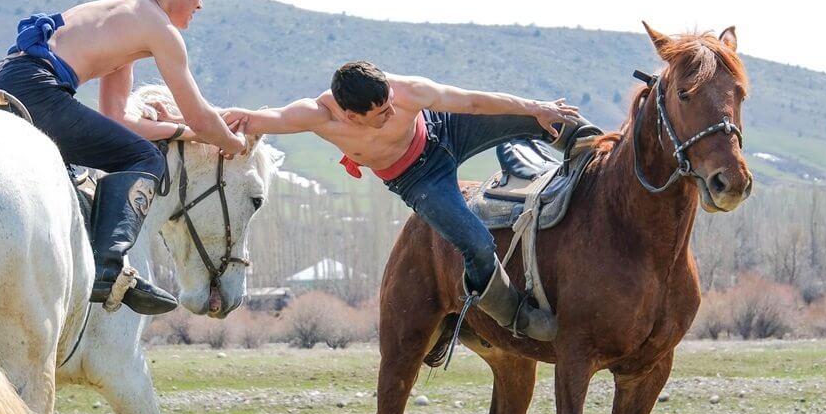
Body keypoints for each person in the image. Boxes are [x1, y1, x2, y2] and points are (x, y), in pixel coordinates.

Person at [0, 0, 246, 315]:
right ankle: (107, 269)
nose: (200, 3)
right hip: (34, 91)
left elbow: (118, 121)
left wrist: (182, 131)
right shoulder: (161, 29)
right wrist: (234, 143)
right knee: (144, 157)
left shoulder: (121, 20)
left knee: (127, 150)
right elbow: (202, 118)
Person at [223, 63, 584, 340]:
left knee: (543, 118)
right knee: (476, 243)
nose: (392, 113)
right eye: (381, 114)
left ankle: (599, 156)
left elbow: (472, 101)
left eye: (390, 105)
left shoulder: (407, 91)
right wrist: (185, 123)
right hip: (419, 179)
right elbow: (255, 120)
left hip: (444, 130)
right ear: (351, 116)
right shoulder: (318, 116)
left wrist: (536, 106)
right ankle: (517, 317)